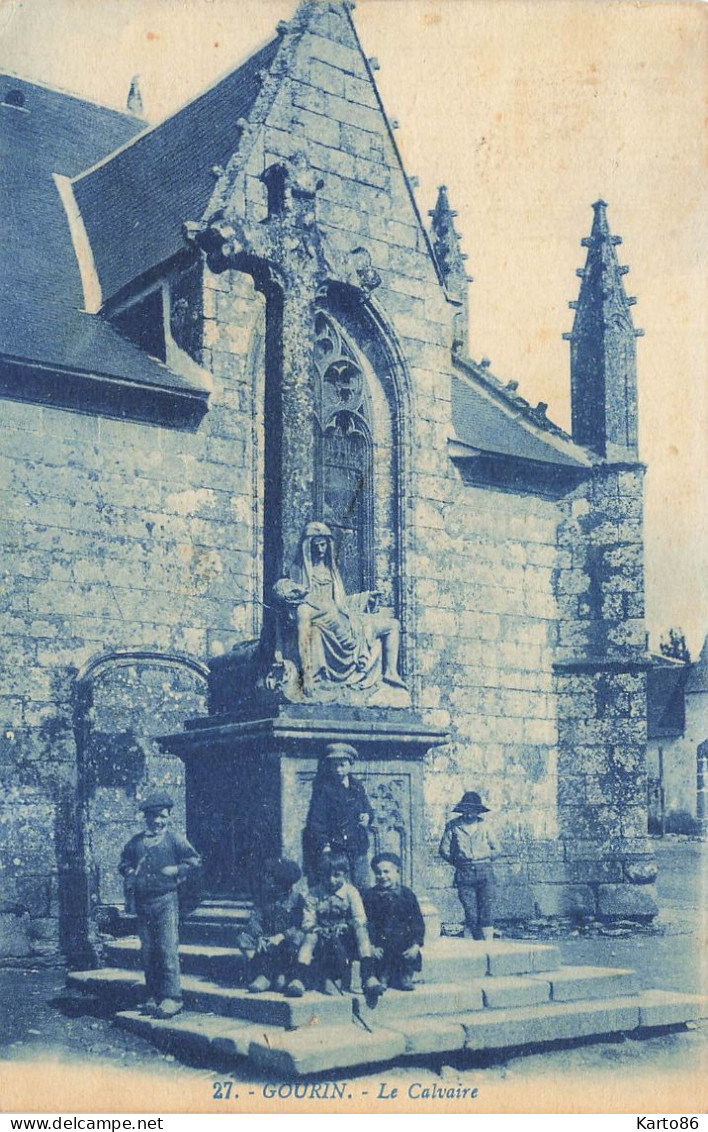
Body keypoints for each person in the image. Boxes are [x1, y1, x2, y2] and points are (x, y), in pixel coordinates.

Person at [273, 520, 405, 694]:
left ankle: (390, 673)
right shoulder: (303, 609)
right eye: (317, 546)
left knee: (393, 624)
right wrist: (307, 676)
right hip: (340, 632)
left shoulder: (330, 571)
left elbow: (340, 603)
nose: (321, 550)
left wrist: (365, 598)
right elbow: (303, 636)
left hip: (347, 621)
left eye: (324, 545)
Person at [119, 791, 201, 1018]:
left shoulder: (175, 840)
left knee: (167, 949)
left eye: (162, 816)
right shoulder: (136, 843)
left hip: (166, 901)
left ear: (168, 817)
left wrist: (176, 870)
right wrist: (129, 872)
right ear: (146, 818)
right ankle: (153, 995)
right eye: (153, 817)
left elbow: (194, 860)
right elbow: (124, 862)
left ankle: (172, 998)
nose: (158, 821)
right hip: (144, 903)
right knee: (148, 951)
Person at [297, 854, 382, 996]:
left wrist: (347, 925)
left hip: (346, 938)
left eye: (337, 875)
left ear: (345, 874)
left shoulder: (351, 892)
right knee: (309, 937)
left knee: (361, 932)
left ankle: (368, 976)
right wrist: (317, 929)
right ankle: (298, 978)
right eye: (326, 876)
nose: (331, 880)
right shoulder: (313, 893)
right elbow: (307, 921)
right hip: (322, 938)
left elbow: (360, 918)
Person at [302, 742, 373, 890]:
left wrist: (367, 817)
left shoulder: (357, 787)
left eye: (342, 765)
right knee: (342, 886)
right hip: (337, 848)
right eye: (334, 765)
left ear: (350, 765)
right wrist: (324, 845)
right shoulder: (324, 790)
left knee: (363, 884)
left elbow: (367, 809)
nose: (338, 769)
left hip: (358, 846)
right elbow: (316, 821)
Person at [238, 859, 311, 998]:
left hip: (286, 943)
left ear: (286, 885)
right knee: (243, 938)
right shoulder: (266, 898)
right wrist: (259, 936)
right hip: (267, 940)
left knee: (298, 937)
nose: (271, 884)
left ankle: (286, 977)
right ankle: (263, 975)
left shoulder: (297, 900)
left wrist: (282, 936)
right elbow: (255, 919)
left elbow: (298, 924)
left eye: (275, 882)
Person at [439, 791, 498, 941]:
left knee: (487, 910)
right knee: (470, 911)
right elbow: (444, 850)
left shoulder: (485, 826)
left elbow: (497, 848)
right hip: (464, 873)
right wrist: (459, 862)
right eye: (466, 811)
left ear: (478, 811)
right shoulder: (453, 826)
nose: (469, 815)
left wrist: (484, 858)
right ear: (462, 810)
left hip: (485, 872)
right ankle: (472, 947)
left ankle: (488, 947)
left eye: (472, 811)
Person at [363, 852, 425, 991]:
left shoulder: (407, 894)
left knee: (406, 949)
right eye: (378, 873)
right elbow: (368, 923)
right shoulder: (370, 896)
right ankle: (383, 976)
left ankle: (405, 975)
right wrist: (371, 945)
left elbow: (417, 921)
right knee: (382, 953)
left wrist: (416, 945)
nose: (382, 876)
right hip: (381, 941)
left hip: (403, 941)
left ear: (397, 871)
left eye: (386, 872)